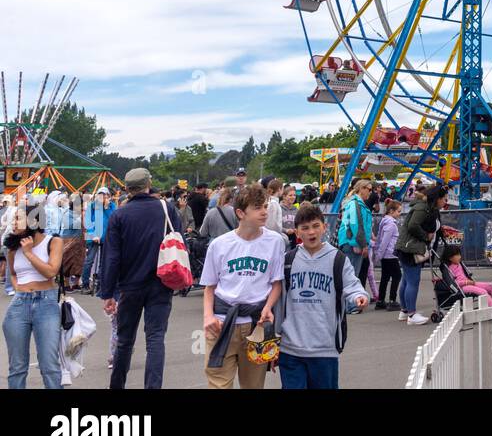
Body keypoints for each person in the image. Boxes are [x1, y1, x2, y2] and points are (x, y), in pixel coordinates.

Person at [99, 167, 183, 389]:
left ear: (127, 188)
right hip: (161, 282)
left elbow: (112, 257)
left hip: (130, 285)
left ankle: (117, 385)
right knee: (155, 339)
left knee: (125, 341)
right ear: (149, 184)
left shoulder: (120, 214)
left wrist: (108, 293)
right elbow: (179, 239)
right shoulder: (167, 209)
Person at [201, 184, 284, 389]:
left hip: (256, 324)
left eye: (265, 206)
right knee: (218, 384)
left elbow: (276, 283)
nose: (264, 212)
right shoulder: (220, 244)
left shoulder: (275, 241)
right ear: (240, 212)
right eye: (257, 207)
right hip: (222, 323)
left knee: (254, 385)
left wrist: (268, 306)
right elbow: (209, 287)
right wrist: (208, 317)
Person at [277, 203, 367, 390]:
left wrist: (359, 296)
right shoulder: (288, 260)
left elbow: (351, 285)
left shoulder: (338, 259)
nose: (311, 232)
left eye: (316, 226)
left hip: (324, 348)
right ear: (297, 232)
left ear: (324, 227)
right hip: (290, 347)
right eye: (305, 228)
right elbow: (277, 299)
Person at [3, 203, 64, 388]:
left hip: (46, 304)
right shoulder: (13, 248)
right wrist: (19, 288)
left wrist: (29, 253)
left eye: (17, 218)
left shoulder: (54, 242)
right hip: (19, 305)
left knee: (49, 365)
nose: (13, 222)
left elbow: (51, 272)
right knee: (17, 367)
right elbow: (12, 273)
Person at [394, 184, 448, 326]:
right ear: (437, 199)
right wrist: (426, 236)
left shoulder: (426, 207)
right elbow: (413, 225)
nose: (445, 202)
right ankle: (411, 314)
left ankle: (405, 311)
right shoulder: (423, 208)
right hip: (410, 249)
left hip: (408, 247)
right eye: (444, 199)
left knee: (407, 280)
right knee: (412, 280)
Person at [336, 179, 374, 286]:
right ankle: (350, 302)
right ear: (361, 189)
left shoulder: (354, 203)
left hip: (352, 242)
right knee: (351, 279)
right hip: (353, 243)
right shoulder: (355, 204)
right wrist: (363, 245)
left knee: (350, 277)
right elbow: (355, 225)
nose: (370, 192)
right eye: (369, 189)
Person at [80, 187, 114, 294]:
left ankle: (100, 284)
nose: (103, 197)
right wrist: (93, 235)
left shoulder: (112, 206)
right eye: (101, 195)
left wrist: (107, 207)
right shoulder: (92, 206)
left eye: (105, 195)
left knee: (104, 262)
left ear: (108, 196)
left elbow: (114, 219)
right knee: (89, 260)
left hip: (107, 237)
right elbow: (87, 222)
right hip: (93, 236)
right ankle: (85, 284)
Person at [371, 199, 401, 311]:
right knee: (397, 276)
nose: (400, 213)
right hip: (390, 254)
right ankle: (392, 300)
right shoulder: (391, 224)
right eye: (398, 211)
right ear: (392, 211)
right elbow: (384, 241)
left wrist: (379, 254)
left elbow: (380, 239)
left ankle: (381, 300)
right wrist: (380, 254)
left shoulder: (384, 221)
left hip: (386, 255)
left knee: (385, 277)